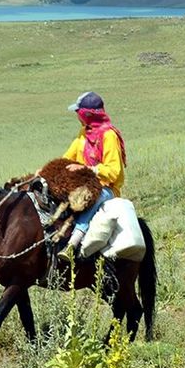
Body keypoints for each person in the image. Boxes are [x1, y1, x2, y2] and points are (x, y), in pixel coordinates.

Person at [57, 91, 126, 263]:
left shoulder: (109, 135)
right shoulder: (84, 132)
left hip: (105, 188)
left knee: (91, 198)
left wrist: (87, 169)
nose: (76, 115)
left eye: (78, 112)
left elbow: (113, 171)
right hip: (83, 183)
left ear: (87, 114)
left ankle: (73, 242)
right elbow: (68, 157)